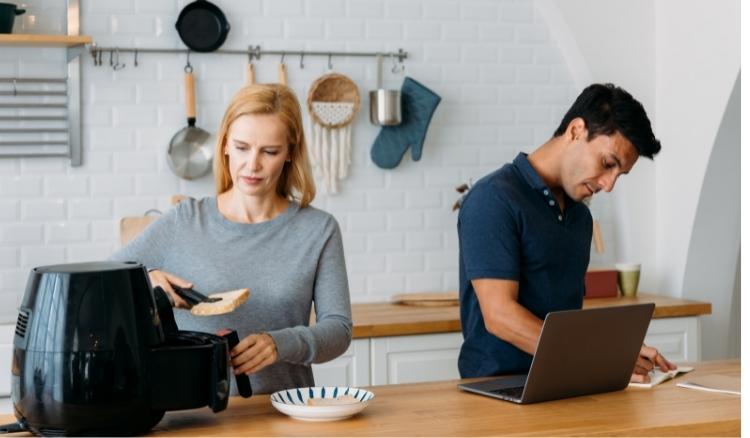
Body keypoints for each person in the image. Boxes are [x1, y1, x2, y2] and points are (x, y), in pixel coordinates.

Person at [111, 84, 352, 394]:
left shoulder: (318, 230)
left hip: (283, 412)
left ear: (290, 151)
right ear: (224, 145)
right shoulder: (184, 220)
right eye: (241, 147)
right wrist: (145, 282)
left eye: (270, 151)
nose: (252, 165)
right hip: (193, 415)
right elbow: (96, 287)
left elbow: (339, 330)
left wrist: (281, 343)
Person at [457, 83, 675, 383]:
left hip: (563, 381)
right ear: (576, 131)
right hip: (497, 390)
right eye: (608, 164)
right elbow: (500, 316)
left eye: (619, 174)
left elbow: (562, 323)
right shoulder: (493, 199)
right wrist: (600, 359)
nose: (609, 185)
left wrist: (617, 351)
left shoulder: (579, 217)